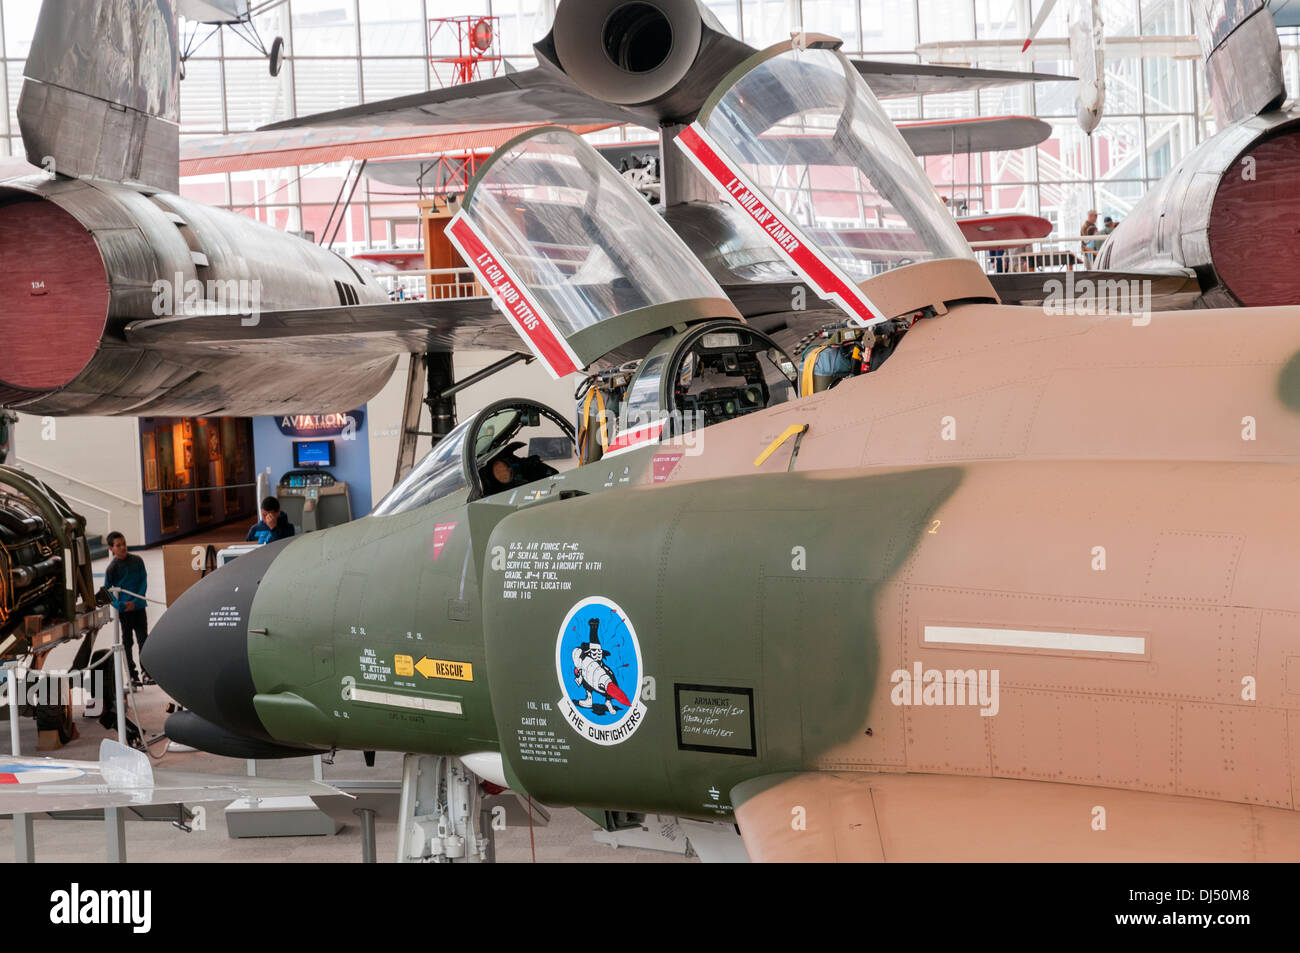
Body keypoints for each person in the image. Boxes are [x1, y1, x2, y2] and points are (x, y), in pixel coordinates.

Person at [104, 531, 151, 688]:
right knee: (127, 642)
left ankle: (147, 672)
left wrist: (136, 602)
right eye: (118, 545)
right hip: (124, 612)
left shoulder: (137, 561)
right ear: (111, 548)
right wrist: (121, 605)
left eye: (124, 543)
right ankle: (132, 675)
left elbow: (143, 582)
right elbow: (107, 591)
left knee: (143, 639)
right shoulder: (112, 568)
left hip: (138, 608)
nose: (123, 547)